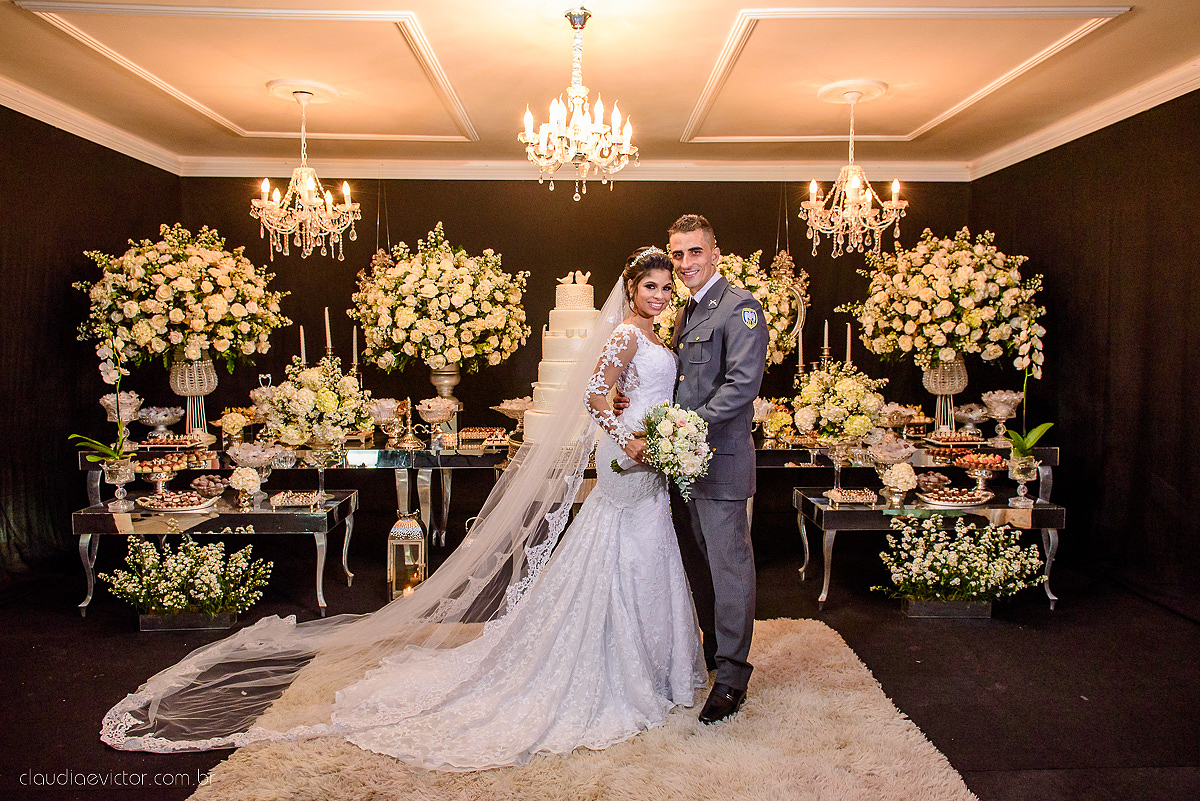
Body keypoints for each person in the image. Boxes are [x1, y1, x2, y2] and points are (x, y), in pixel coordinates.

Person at [100, 247, 706, 770]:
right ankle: (621, 669)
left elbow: (639, 391)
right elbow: (596, 396)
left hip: (651, 461)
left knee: (650, 553)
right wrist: (627, 437)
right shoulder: (625, 333)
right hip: (630, 458)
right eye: (647, 285)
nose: (656, 294)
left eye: (662, 286)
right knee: (622, 553)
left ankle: (656, 665)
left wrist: (663, 434)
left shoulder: (660, 334)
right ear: (630, 288)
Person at [666, 214, 768, 724]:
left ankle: (731, 677)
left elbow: (742, 384)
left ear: (716, 254)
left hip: (720, 461)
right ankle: (712, 653)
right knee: (699, 565)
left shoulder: (740, 309)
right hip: (683, 464)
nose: (685, 263)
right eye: (678, 254)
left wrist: (684, 428)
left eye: (695, 252)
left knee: (729, 569)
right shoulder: (687, 311)